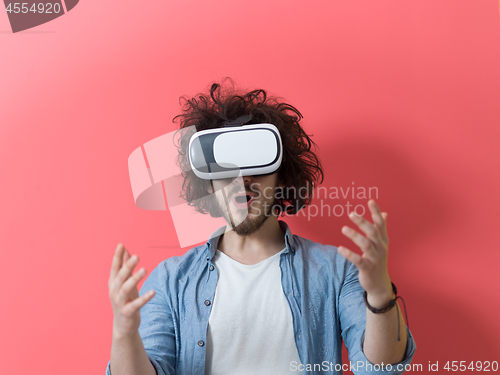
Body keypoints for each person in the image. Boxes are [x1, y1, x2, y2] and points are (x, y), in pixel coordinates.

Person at [106, 78, 416, 375]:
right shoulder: (170, 280)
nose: (242, 181)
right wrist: (124, 332)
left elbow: (381, 367)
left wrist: (379, 293)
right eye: (227, 170)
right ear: (209, 184)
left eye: (257, 166)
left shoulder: (336, 269)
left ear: (282, 178)